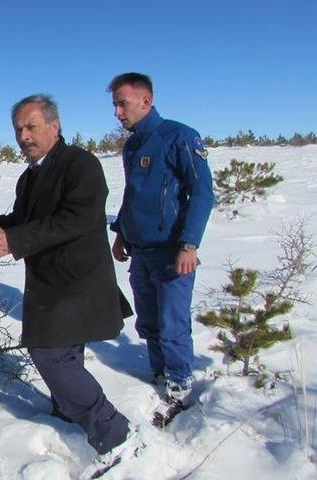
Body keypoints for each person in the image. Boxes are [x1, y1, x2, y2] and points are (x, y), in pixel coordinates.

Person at [0, 94, 134, 466]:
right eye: (18, 129)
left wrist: (17, 241)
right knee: (65, 353)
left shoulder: (80, 165)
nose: (23, 135)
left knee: (49, 352)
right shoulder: (31, 175)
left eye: (31, 126)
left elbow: (79, 219)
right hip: (51, 284)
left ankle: (114, 433)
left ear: (54, 126)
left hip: (78, 282)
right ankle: (69, 416)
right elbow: (21, 221)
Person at [107, 72, 214, 403]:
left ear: (145, 101)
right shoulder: (133, 145)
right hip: (140, 250)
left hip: (172, 252)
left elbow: (202, 193)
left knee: (172, 323)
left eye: (122, 104)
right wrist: (122, 233)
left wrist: (189, 244)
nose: (117, 113)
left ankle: (180, 381)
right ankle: (159, 371)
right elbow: (134, 194)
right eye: (114, 105)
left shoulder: (178, 137)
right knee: (149, 320)